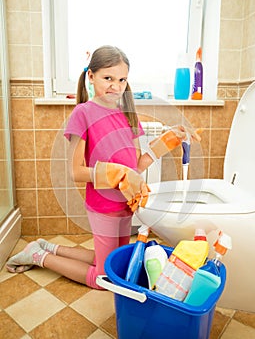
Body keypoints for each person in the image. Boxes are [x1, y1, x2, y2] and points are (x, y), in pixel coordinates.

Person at [6, 45, 200, 288]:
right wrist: (117, 173)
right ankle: (39, 256)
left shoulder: (128, 115)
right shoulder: (83, 113)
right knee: (105, 278)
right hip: (103, 205)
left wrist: (169, 140)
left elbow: (138, 164)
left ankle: (47, 246)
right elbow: (76, 171)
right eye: (108, 78)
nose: (115, 86)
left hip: (126, 203)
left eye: (121, 80)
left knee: (115, 263)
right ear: (91, 76)